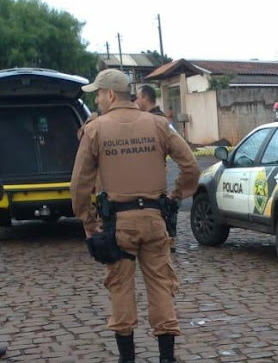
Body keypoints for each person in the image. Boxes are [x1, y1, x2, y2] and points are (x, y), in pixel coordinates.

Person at [70, 68, 199, 363]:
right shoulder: (159, 125)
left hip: (118, 226)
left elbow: (79, 185)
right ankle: (167, 358)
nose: (97, 101)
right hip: (155, 220)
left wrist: (89, 223)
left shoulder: (95, 129)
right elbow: (191, 165)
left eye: (99, 95)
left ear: (111, 94)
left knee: (120, 289)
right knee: (161, 286)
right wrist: (175, 195)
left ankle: (126, 359)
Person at [135, 85, 178, 253]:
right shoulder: (159, 121)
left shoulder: (158, 122)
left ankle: (168, 237)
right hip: (153, 170)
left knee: (162, 204)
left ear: (145, 98)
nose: (136, 101)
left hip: (155, 171)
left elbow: (180, 152)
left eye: (138, 97)